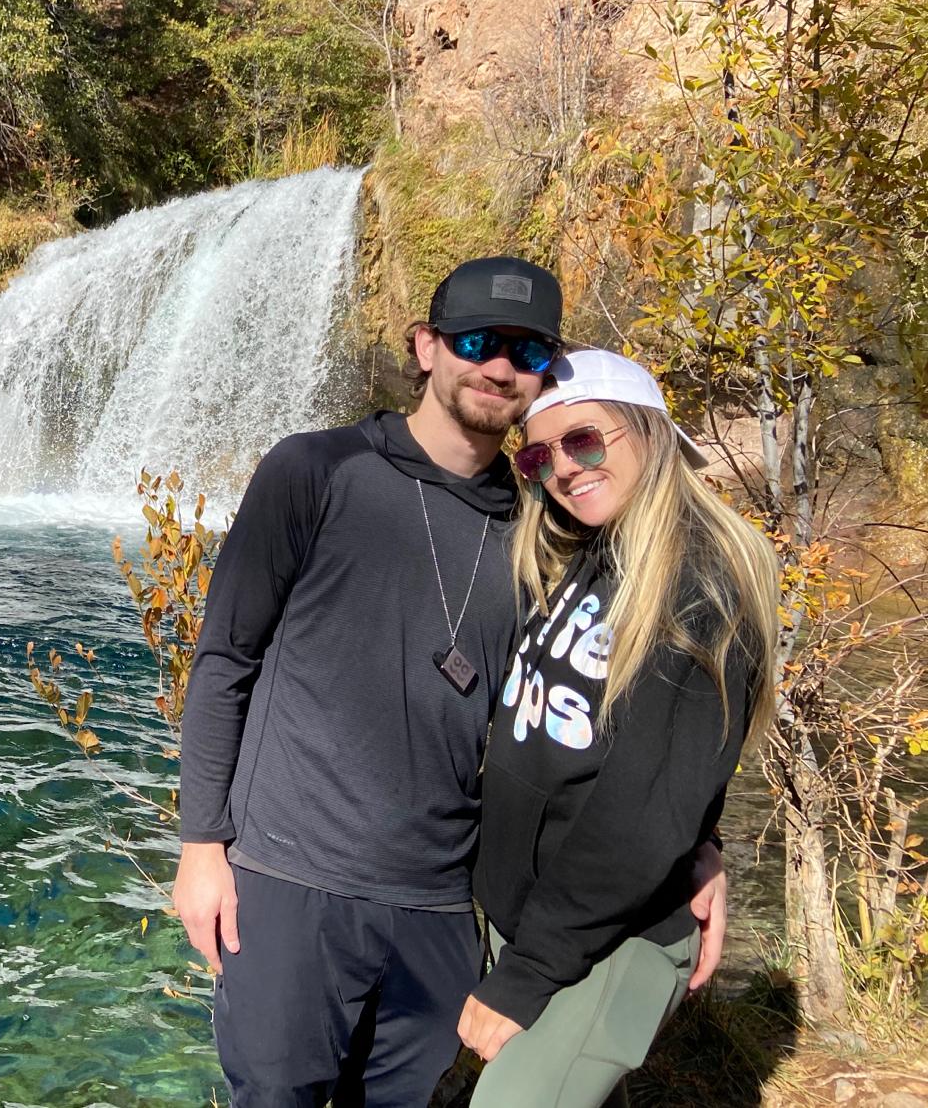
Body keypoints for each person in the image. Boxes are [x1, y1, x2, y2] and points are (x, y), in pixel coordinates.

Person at [174, 260, 727, 1108]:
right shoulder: (315, 471)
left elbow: (620, 703)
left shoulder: (545, 524)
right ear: (427, 348)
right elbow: (223, 660)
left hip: (439, 908)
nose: (498, 366)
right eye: (475, 341)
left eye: (526, 349)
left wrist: (699, 843)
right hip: (289, 885)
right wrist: (202, 847)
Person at [457, 349, 778, 1107]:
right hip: (549, 923)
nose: (564, 468)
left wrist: (528, 973)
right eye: (539, 453)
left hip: (607, 946)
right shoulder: (593, 553)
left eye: (586, 439)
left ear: (648, 430)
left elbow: (645, 809)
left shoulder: (701, 577)